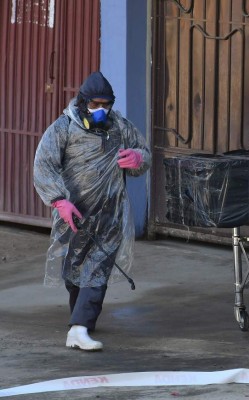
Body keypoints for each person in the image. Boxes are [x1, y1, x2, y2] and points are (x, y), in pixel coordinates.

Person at [33, 71, 151, 351]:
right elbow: (43, 165)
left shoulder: (119, 127)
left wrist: (137, 159)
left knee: (97, 268)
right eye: (95, 104)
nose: (101, 110)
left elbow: (143, 153)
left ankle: (80, 327)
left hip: (110, 213)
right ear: (83, 101)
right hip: (74, 214)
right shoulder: (63, 128)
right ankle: (81, 319)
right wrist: (59, 201)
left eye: (106, 104)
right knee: (73, 270)